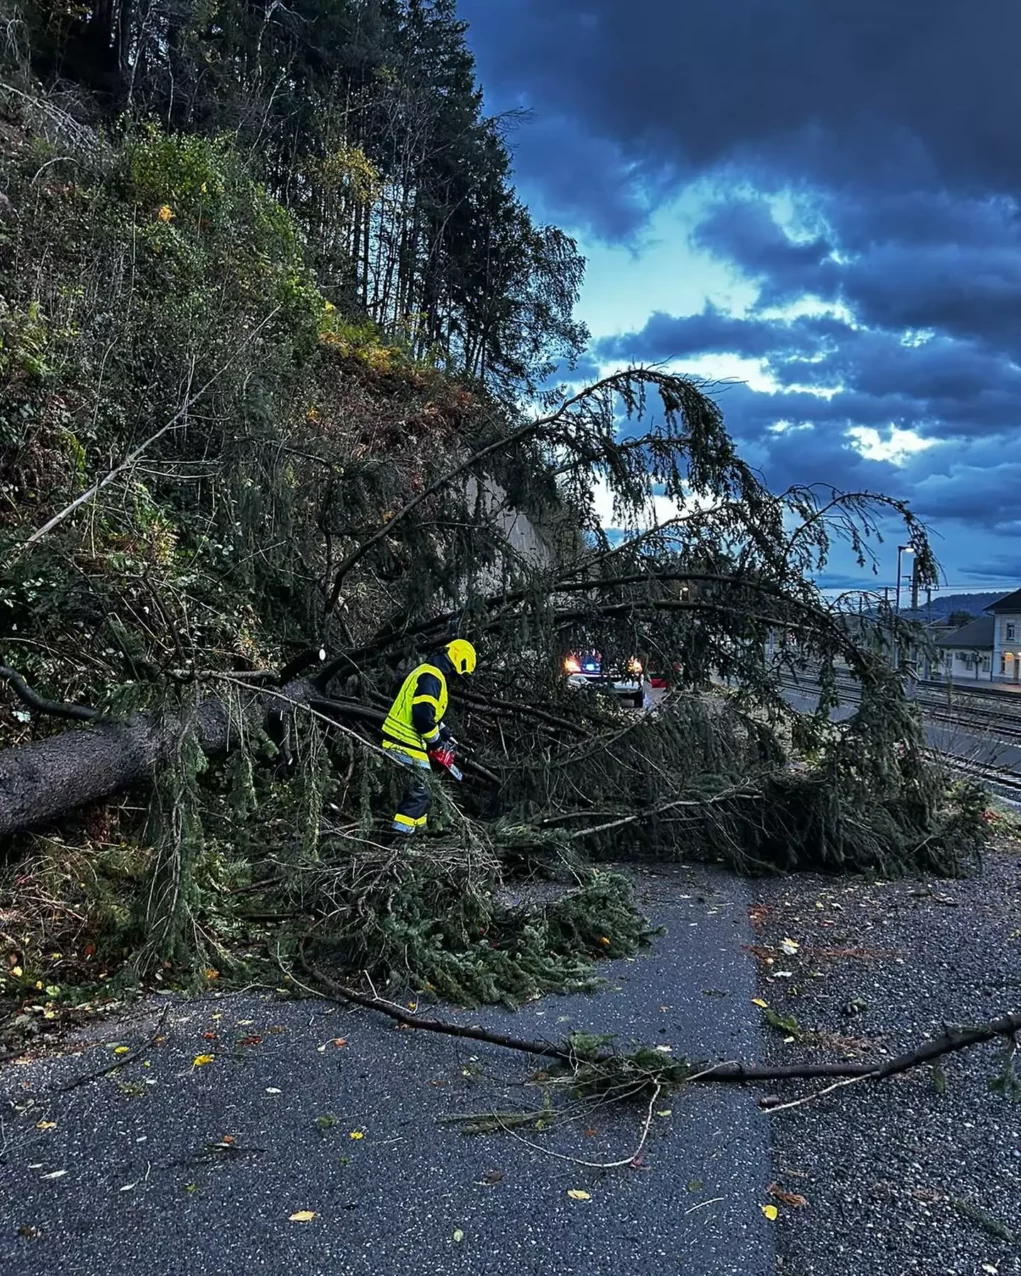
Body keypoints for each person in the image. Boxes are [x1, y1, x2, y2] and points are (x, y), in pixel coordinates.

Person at [381, 638, 476, 836]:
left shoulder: (427, 672)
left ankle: (418, 833)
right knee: (421, 791)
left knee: (425, 790)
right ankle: (398, 838)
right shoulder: (432, 676)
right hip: (405, 741)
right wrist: (437, 743)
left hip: (404, 739)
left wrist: (444, 732)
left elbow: (427, 712)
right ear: (459, 661)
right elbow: (423, 718)